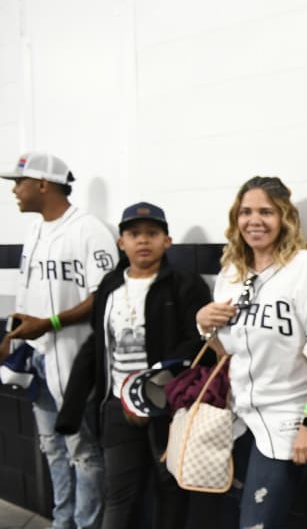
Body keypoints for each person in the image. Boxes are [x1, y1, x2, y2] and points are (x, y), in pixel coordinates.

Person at [195, 176, 307, 529]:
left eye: (266, 212)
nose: (255, 220)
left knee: (258, 522)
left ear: (284, 217)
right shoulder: (231, 273)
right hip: (240, 416)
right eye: (246, 212)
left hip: (289, 418)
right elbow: (225, 352)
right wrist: (204, 324)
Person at [54, 201, 213, 529]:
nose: (143, 240)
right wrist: (71, 411)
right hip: (117, 408)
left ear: (167, 241)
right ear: (121, 242)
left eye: (152, 233)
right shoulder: (110, 286)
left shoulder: (185, 284)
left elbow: (198, 345)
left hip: (168, 409)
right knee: (119, 495)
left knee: (170, 490)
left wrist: (149, 395)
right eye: (134, 234)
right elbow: (96, 346)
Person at [0, 152, 115, 529]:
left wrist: (49, 323)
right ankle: (61, 522)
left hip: (74, 358)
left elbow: (105, 296)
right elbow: (27, 296)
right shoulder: (35, 230)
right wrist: (11, 340)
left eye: (19, 182)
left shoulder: (89, 229)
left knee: (83, 451)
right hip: (37, 355)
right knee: (52, 447)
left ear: (43, 184)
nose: (14, 190)